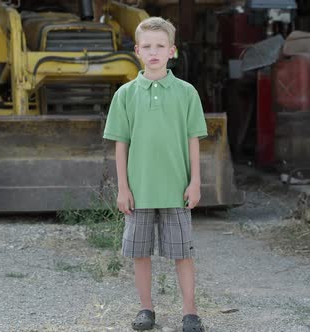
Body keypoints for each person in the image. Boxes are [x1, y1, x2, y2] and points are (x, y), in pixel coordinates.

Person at [103, 16, 207, 332]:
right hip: (141, 190)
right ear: (136, 50)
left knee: (183, 255)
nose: (154, 52)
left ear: (172, 51)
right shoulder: (125, 95)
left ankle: (190, 313)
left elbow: (193, 141)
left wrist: (195, 181)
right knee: (140, 254)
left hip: (176, 189)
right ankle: (146, 310)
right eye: (147, 46)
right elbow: (121, 145)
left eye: (160, 46)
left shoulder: (187, 93)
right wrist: (123, 188)